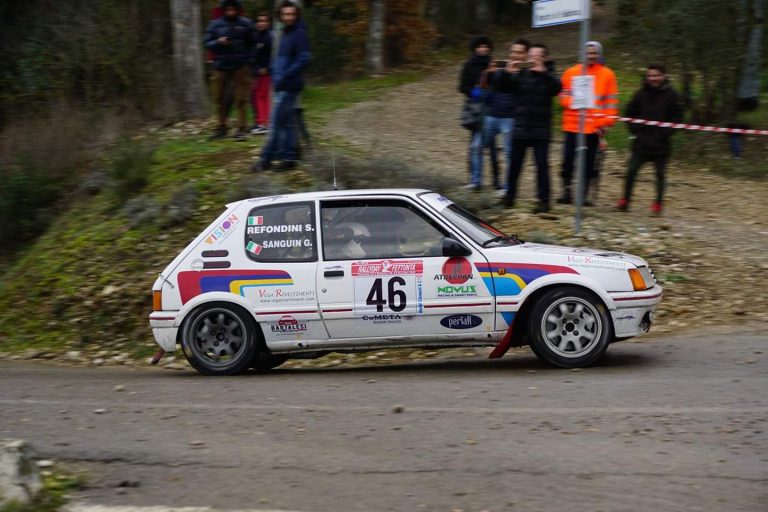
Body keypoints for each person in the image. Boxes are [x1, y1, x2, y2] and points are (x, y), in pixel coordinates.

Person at [494, 43, 562, 213]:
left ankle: (544, 201)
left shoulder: (550, 73)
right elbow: (500, 87)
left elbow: (557, 88)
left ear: (544, 58)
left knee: (542, 166)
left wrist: (544, 72)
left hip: (541, 129)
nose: (533, 58)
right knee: (515, 165)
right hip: (521, 127)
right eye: (531, 55)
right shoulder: (520, 73)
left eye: (537, 56)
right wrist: (505, 73)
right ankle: (509, 197)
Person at [253, 0, 311, 172]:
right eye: (286, 14)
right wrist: (274, 72)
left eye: (292, 14)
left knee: (275, 123)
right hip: (281, 85)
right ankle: (289, 158)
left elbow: (304, 58)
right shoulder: (284, 33)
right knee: (287, 124)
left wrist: (285, 76)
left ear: (296, 15)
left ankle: (265, 159)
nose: (289, 17)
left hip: (288, 85)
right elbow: (282, 60)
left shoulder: (299, 33)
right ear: (280, 16)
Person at [558, 41, 618, 204]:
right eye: (588, 53)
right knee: (567, 162)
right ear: (582, 54)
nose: (591, 56)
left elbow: (611, 103)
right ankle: (566, 192)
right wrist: (575, 101)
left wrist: (606, 124)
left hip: (594, 129)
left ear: (599, 54)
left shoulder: (608, 74)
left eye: (594, 53)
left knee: (589, 165)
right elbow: (562, 96)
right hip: (572, 126)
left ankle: (583, 197)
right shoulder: (571, 72)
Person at [617, 64, 683, 214]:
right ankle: (625, 200)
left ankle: (658, 205)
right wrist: (635, 130)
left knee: (660, 174)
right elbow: (629, 113)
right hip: (641, 143)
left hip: (662, 145)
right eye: (650, 76)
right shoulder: (640, 94)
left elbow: (678, 117)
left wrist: (667, 132)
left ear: (663, 76)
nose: (653, 79)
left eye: (656, 75)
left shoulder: (672, 95)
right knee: (631, 171)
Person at [484, 39, 530, 195]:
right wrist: (500, 73)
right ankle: (487, 180)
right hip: (493, 114)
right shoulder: (503, 68)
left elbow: (520, 90)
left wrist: (513, 74)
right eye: (512, 52)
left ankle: (508, 187)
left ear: (526, 55)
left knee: (510, 153)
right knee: (481, 146)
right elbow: (495, 86)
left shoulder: (528, 71)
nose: (514, 55)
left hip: (511, 117)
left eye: (518, 52)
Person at [204, 0, 256, 141]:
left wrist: (250, 61)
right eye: (228, 9)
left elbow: (253, 43)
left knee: (241, 98)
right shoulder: (214, 24)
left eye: (234, 9)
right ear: (224, 9)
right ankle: (221, 127)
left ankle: (242, 128)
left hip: (241, 65)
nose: (231, 11)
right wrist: (217, 42)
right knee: (218, 97)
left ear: (238, 9)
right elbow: (207, 42)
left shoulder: (246, 23)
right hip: (220, 65)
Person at [458, 36, 498, 190]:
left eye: (486, 46)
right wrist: (473, 92)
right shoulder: (469, 65)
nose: (484, 49)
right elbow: (462, 86)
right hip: (476, 108)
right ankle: (474, 179)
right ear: (475, 48)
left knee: (493, 148)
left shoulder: (493, 64)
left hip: (492, 107)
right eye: (481, 46)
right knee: (475, 146)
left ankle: (496, 180)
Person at [250, 12, 273, 135]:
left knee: (262, 96)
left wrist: (267, 68)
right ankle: (261, 122)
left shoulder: (270, 36)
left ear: (268, 23)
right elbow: (254, 55)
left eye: (264, 21)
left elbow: (273, 55)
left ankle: (265, 123)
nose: (261, 23)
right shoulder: (256, 36)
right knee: (257, 95)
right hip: (257, 71)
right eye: (259, 21)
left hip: (266, 72)